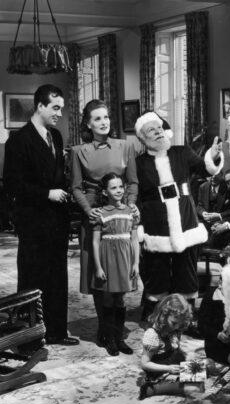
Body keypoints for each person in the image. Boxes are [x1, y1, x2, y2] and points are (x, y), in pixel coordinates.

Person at [4, 84, 79, 346]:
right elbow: (13, 184)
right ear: (40, 106)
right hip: (33, 220)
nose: (60, 113)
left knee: (58, 276)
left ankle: (57, 331)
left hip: (57, 220)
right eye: (55, 108)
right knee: (33, 276)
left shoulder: (56, 136)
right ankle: (29, 337)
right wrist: (46, 193)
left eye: (61, 108)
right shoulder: (19, 139)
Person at [134, 112, 223, 322]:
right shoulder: (139, 163)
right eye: (150, 130)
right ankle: (156, 315)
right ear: (142, 138)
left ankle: (187, 316)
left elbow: (206, 168)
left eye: (158, 128)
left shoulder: (181, 152)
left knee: (187, 272)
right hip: (156, 224)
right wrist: (139, 227)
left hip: (186, 221)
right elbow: (135, 195)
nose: (157, 132)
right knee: (157, 273)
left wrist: (214, 154)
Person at [71, 99, 138, 347]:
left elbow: (132, 182)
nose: (103, 122)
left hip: (120, 213)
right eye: (97, 119)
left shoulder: (125, 146)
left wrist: (130, 204)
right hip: (95, 214)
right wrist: (89, 211)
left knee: (121, 269)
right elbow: (76, 186)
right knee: (98, 273)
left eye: (106, 117)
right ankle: (104, 327)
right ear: (88, 124)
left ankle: (117, 333)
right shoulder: (79, 151)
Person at [92, 173, 139, 356]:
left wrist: (136, 263)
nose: (118, 190)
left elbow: (134, 239)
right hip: (108, 258)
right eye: (113, 187)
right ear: (105, 192)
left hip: (125, 258)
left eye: (120, 186)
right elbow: (96, 242)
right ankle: (109, 339)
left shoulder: (130, 212)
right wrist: (98, 266)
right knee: (108, 299)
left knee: (120, 299)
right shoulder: (100, 213)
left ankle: (120, 339)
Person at [138, 294, 201, 399]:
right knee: (195, 388)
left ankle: (177, 381)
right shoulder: (152, 335)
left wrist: (187, 357)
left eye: (179, 324)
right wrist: (168, 368)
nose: (176, 326)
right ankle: (149, 389)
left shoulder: (175, 329)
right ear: (164, 315)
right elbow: (145, 364)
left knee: (206, 367)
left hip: (173, 369)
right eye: (174, 323)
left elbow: (175, 350)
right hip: (159, 376)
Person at [197, 169, 230, 249]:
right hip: (208, 221)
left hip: (225, 221)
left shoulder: (229, 189)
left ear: (221, 174)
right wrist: (203, 213)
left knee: (217, 237)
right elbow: (199, 206)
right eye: (211, 174)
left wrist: (222, 221)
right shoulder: (203, 187)